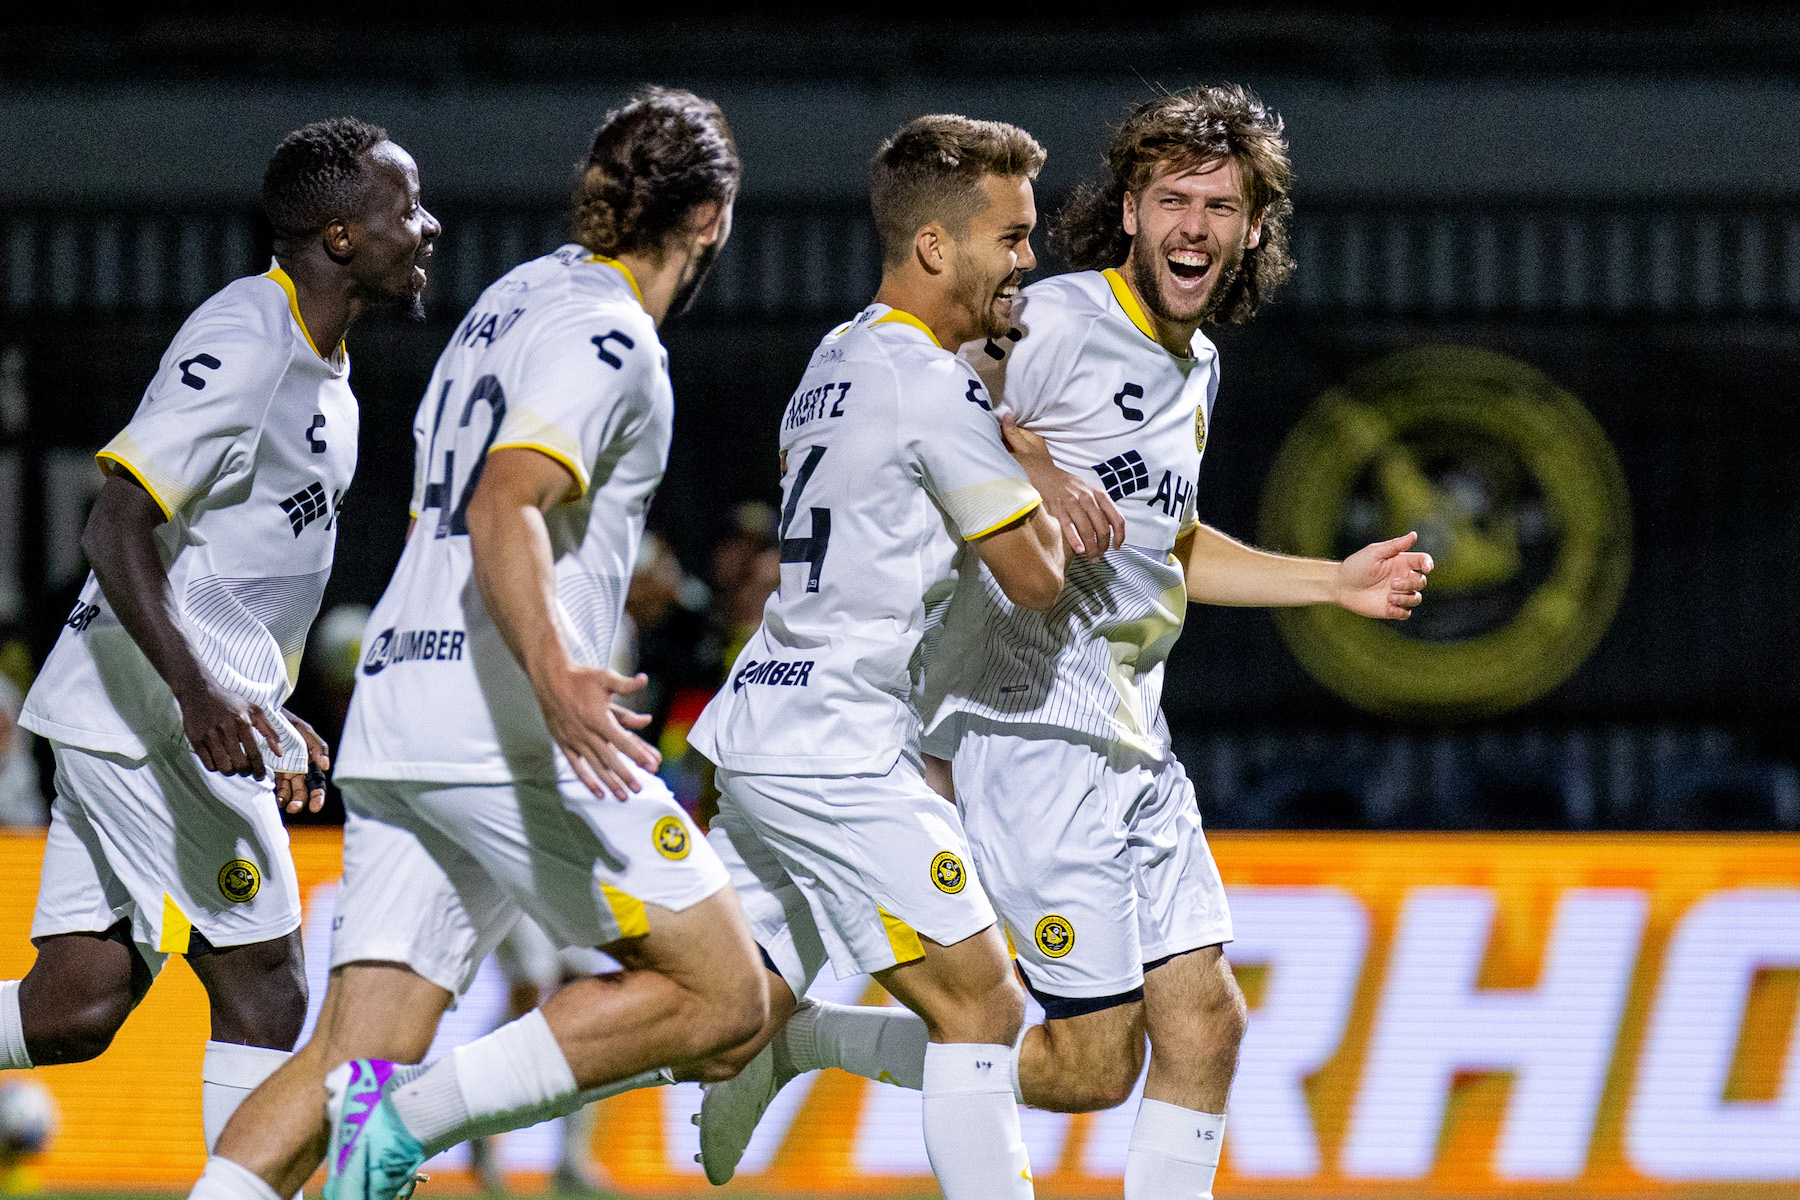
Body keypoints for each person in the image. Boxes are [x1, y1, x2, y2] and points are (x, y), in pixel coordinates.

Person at [698, 86, 1432, 1200]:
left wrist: (1330, 581)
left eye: (1222, 206)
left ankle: (765, 1038)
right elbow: (941, 396)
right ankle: (799, 1044)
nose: (1195, 226)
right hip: (1029, 727)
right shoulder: (1057, 318)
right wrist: (1030, 464)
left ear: (1252, 230)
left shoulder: (1197, 366)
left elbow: (1164, 544)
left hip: (1134, 729)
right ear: (1129, 211)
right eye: (1173, 199)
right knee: (1086, 1067)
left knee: (1207, 1028)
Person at [185, 87, 764, 1200]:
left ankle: (346, 1147)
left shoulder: (515, 297)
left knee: (350, 1054)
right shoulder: (614, 338)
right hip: (505, 725)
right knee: (724, 998)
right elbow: (508, 501)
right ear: (712, 219)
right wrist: (558, 682)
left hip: (401, 714)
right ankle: (414, 1123)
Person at [2, 117, 437, 1154]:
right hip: (149, 718)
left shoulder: (324, 368)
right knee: (271, 993)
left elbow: (225, 566)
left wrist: (253, 693)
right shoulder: (249, 336)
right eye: (402, 207)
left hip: (156, 708)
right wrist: (203, 696)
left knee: (74, 1009)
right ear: (338, 235)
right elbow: (114, 520)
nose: (425, 225)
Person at [687, 114, 1066, 1200]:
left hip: (769, 722)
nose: (1028, 258)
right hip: (836, 746)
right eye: (1013, 234)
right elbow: (1035, 579)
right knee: (983, 1008)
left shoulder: (835, 355)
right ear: (938, 247)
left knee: (708, 1019)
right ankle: (405, 1113)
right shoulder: (933, 383)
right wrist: (1030, 462)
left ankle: (398, 1110)